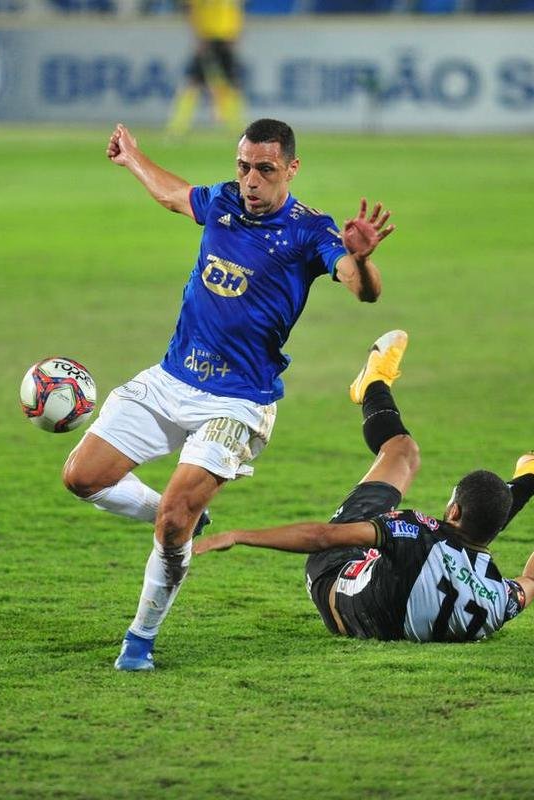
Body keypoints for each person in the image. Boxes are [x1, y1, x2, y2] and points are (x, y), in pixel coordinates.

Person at [62, 119, 395, 669]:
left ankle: (139, 641)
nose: (251, 181)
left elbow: (363, 291)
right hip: (171, 379)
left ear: (291, 168)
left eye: (265, 169)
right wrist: (132, 159)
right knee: (81, 477)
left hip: (238, 402)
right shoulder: (221, 202)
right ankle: (182, 515)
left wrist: (359, 257)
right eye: (243, 167)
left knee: (173, 520)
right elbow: (173, 195)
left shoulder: (311, 231)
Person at [193, 330, 534, 643]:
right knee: (479, 514)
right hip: (383, 601)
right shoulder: (494, 600)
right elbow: (532, 582)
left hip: (333, 578)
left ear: (453, 511)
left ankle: (372, 385)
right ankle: (533, 475)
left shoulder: (414, 534)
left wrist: (240, 535)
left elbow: (322, 538)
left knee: (404, 453)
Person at [167, 0, 245, 136]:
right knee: (193, 83)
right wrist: (198, 36)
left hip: (226, 40)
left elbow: (236, 12)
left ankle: (238, 128)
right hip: (206, 39)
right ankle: (177, 128)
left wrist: (235, 34)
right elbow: (191, 11)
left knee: (232, 85)